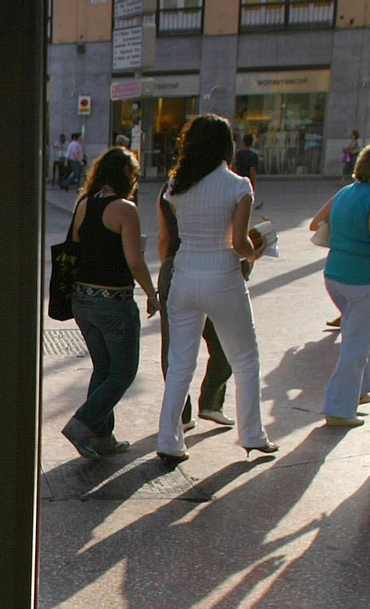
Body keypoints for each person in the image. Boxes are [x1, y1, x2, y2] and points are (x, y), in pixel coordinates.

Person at [156, 114, 274, 464]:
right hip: (222, 277)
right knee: (245, 358)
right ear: (227, 145)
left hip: (183, 276)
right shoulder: (238, 186)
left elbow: (167, 238)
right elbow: (238, 243)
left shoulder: (175, 186)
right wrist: (258, 251)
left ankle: (169, 440)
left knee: (180, 363)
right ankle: (253, 435)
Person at [59, 147, 160, 458]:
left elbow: (75, 248)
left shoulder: (84, 204)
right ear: (126, 176)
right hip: (113, 303)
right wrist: (152, 294)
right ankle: (82, 423)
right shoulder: (125, 209)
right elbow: (135, 261)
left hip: (82, 300)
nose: (136, 180)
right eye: (134, 174)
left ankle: (103, 438)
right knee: (123, 372)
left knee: (103, 369)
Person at [311, 142, 370, 429]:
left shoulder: (344, 192)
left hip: (335, 275)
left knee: (357, 337)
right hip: (362, 280)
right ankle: (339, 408)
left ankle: (362, 392)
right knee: (355, 345)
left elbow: (315, 224)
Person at [157, 181, 236, 433]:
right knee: (227, 338)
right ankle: (211, 400)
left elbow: (164, 237)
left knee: (175, 347)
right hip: (213, 268)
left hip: (175, 264)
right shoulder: (224, 185)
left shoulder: (169, 187)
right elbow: (232, 235)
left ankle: (182, 414)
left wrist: (169, 266)